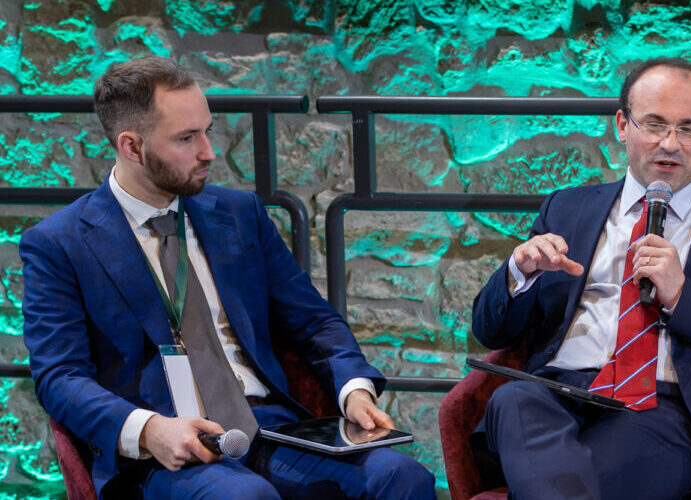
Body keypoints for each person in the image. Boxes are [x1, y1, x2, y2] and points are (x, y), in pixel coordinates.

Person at [19, 56, 435, 499]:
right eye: (186, 138)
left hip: (269, 429)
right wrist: (149, 429)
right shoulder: (59, 243)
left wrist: (354, 390)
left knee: (402, 477)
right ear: (132, 147)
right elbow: (60, 376)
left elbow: (314, 321)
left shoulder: (239, 215)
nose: (208, 152)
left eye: (207, 131)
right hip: (163, 450)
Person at [469, 58, 691, 499]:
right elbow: (489, 332)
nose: (670, 144)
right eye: (654, 124)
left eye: (688, 129)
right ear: (622, 125)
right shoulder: (566, 208)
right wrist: (519, 271)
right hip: (554, 393)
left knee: (562, 479)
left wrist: (683, 295)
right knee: (512, 399)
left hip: (660, 410)